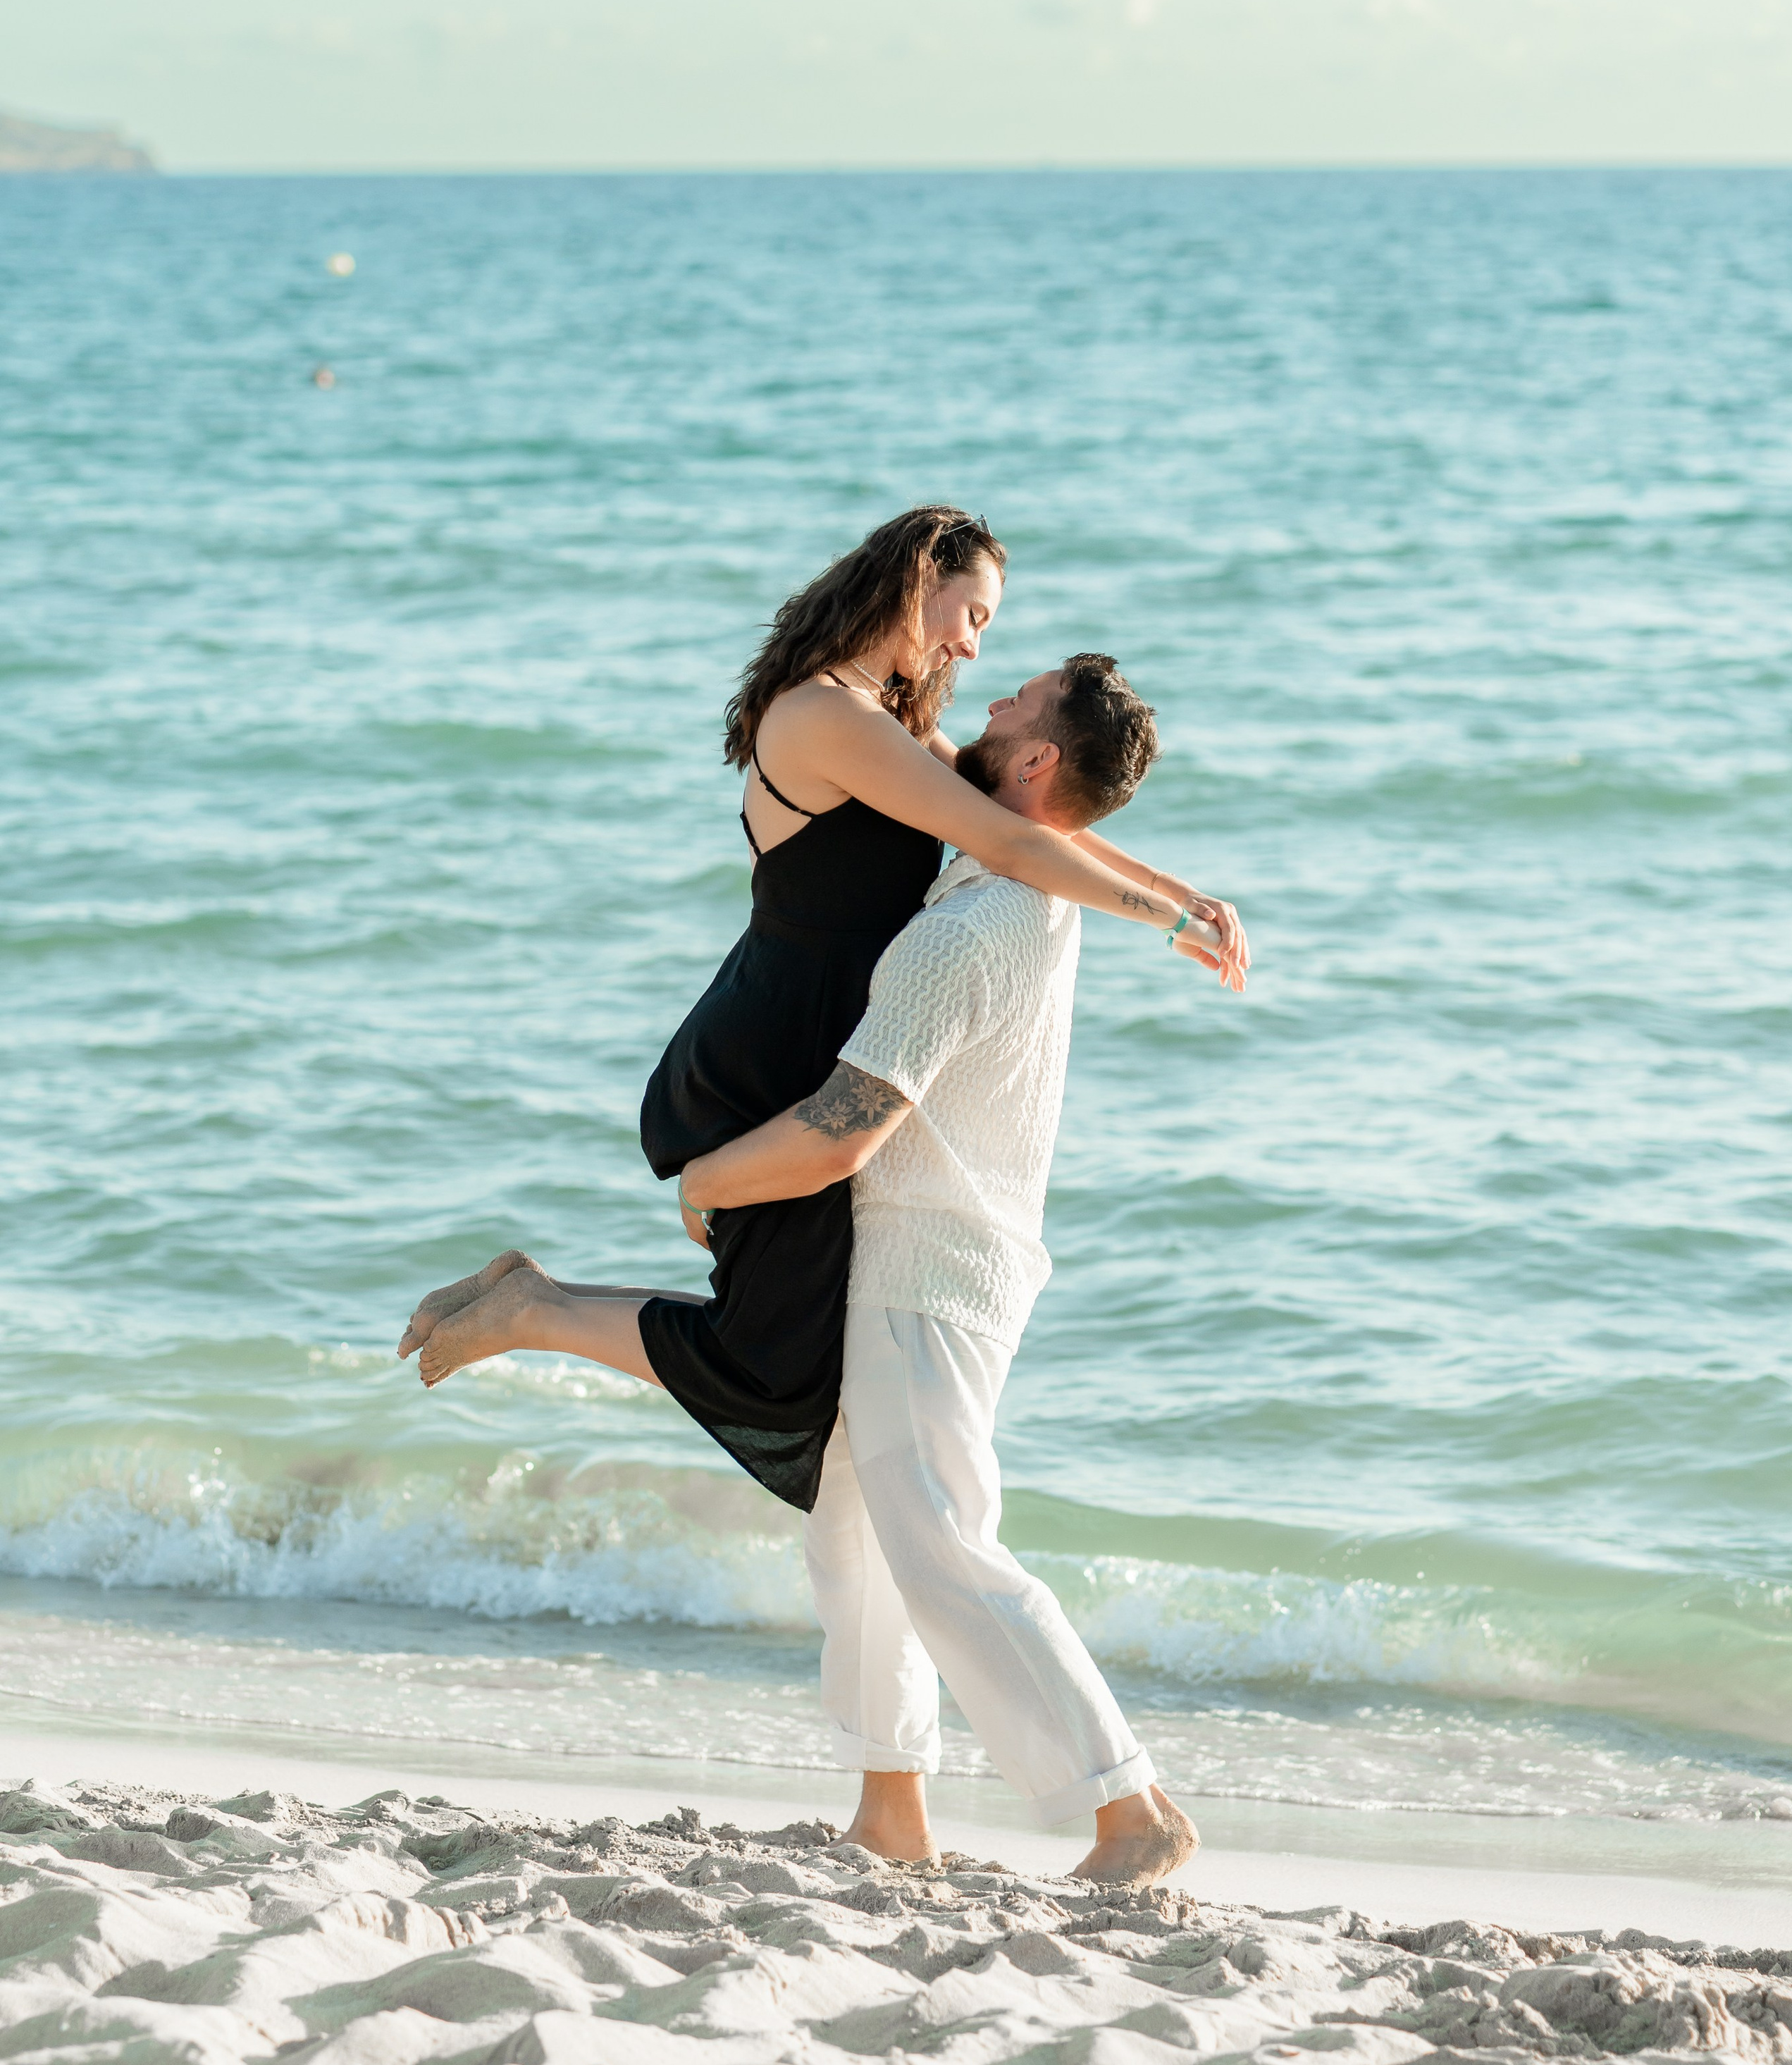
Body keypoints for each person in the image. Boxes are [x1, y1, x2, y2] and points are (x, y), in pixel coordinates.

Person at [412, 655, 1216, 1886]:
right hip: (935, 1261)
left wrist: (708, 1182)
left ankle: (1130, 1811)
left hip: (927, 1272)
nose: (989, 702)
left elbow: (847, 1127)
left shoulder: (971, 929)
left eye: (1019, 702)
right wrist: (1176, 897)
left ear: (1041, 762)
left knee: (942, 1544)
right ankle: (891, 1812)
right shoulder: (1021, 891)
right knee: (854, 1539)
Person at [402, 508, 1245, 1517]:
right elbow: (1011, 846)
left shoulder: (879, 721)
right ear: (913, 582)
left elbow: (1028, 821)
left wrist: (1185, 893)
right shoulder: (826, 719)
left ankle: (529, 1296)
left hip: (813, 1036)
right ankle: (528, 1310)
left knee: (783, 1349)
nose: (973, 644)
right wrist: (1167, 920)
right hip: (772, 1048)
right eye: (969, 611)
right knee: (768, 1361)